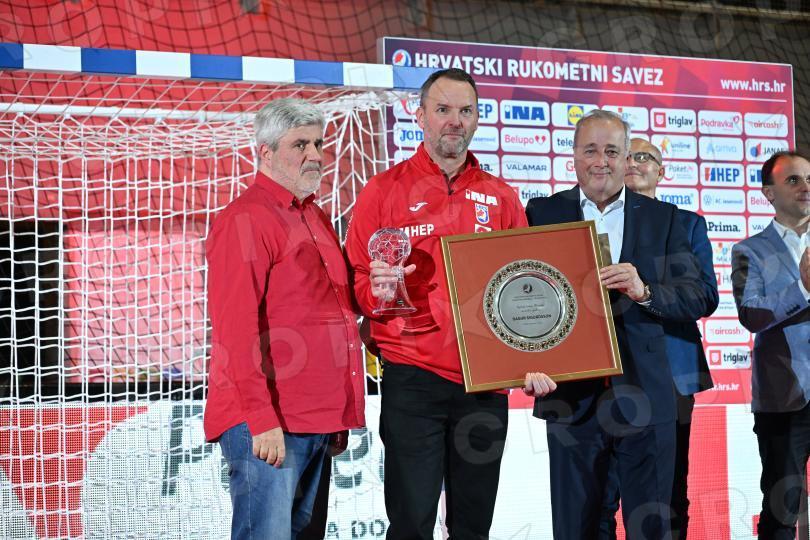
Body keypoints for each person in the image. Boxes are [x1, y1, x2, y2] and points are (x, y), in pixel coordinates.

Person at [345, 68, 556, 540]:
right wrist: (377, 294)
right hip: (412, 377)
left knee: (473, 528)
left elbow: (526, 292)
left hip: (485, 383)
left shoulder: (502, 197)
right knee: (411, 526)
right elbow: (358, 283)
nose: (454, 121)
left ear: (477, 119)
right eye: (442, 110)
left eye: (466, 111)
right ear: (420, 116)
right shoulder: (383, 190)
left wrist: (532, 358)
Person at [525, 110, 714, 539]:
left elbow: (700, 296)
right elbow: (520, 296)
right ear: (574, 155)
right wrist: (525, 362)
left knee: (652, 528)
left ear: (626, 157)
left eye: (611, 151)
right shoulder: (541, 213)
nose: (601, 161)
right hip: (570, 397)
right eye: (590, 150)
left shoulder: (666, 218)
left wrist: (645, 290)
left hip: (647, 394)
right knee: (576, 528)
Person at [203, 98, 365, 539]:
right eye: (300, 144)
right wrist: (261, 419)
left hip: (315, 420)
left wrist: (337, 416)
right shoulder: (245, 218)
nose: (314, 155)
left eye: (318, 144)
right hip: (269, 421)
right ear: (266, 152)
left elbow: (333, 311)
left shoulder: (315, 215)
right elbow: (235, 331)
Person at [598, 138, 719, 540]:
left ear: (662, 172)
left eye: (644, 157)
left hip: (669, 374)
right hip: (606, 372)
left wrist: (646, 292)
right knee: (601, 496)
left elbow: (704, 296)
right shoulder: (593, 222)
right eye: (625, 155)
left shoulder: (686, 223)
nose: (633, 163)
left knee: (668, 494)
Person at [731, 151, 810, 539]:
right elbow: (751, 314)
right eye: (793, 180)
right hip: (785, 399)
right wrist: (803, 289)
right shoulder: (750, 250)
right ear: (769, 193)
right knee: (782, 510)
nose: (805, 187)